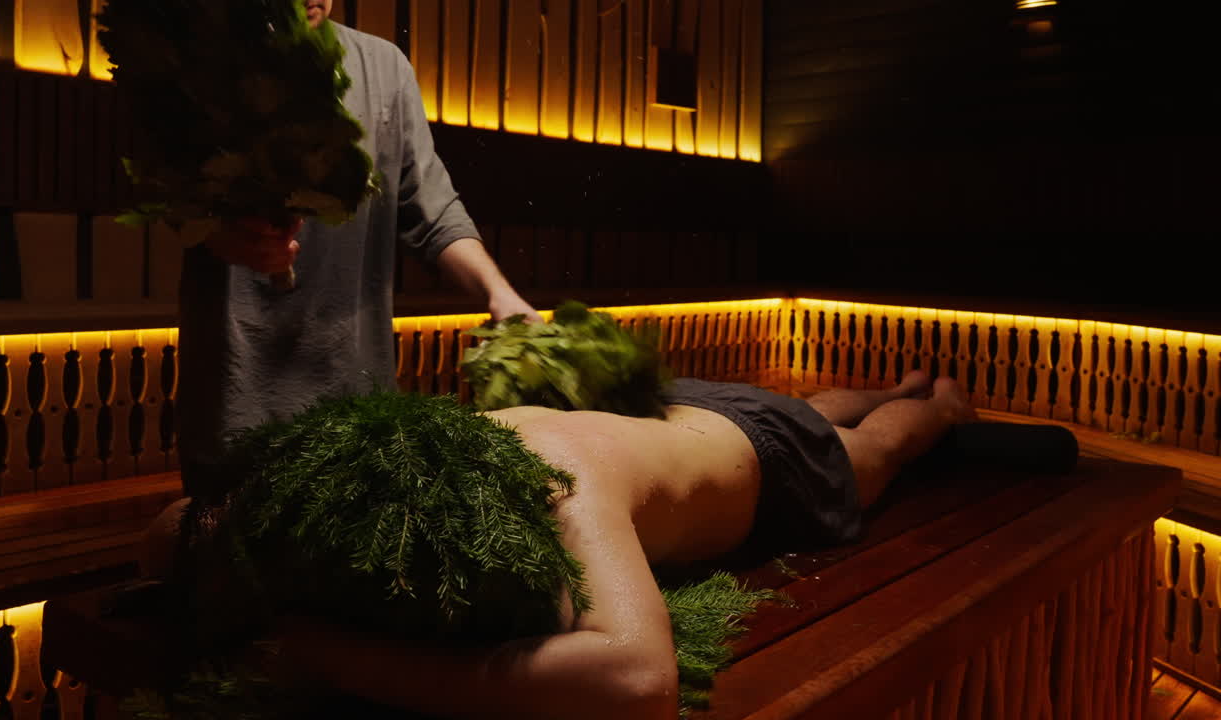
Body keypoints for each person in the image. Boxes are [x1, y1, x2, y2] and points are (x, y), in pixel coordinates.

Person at [145, 370, 978, 719]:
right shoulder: (403, 468)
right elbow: (188, 519)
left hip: (770, 462)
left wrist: (332, 659)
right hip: (685, 416)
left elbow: (640, 682)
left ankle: (937, 403)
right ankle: (868, 393)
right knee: (804, 404)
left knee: (872, 452)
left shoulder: (552, 482)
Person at [174, 0, 538, 493]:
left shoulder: (385, 66)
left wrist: (499, 293)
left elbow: (433, 212)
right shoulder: (200, 58)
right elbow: (167, 202)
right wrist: (227, 239)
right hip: (237, 404)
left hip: (357, 403)